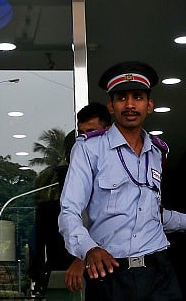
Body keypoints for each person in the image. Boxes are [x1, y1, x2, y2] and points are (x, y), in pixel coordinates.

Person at [58, 61, 186, 300]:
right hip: (112, 272)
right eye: (121, 98)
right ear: (111, 106)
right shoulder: (90, 149)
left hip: (159, 270)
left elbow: (150, 214)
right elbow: (69, 212)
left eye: (137, 97)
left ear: (149, 105)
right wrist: (89, 249)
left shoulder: (157, 152)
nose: (129, 105)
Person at [63, 101, 112, 293]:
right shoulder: (77, 155)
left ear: (107, 131)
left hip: (101, 258)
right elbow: (70, 211)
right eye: (81, 133)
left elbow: (111, 219)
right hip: (79, 252)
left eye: (91, 132)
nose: (85, 139)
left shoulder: (120, 161)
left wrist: (81, 257)